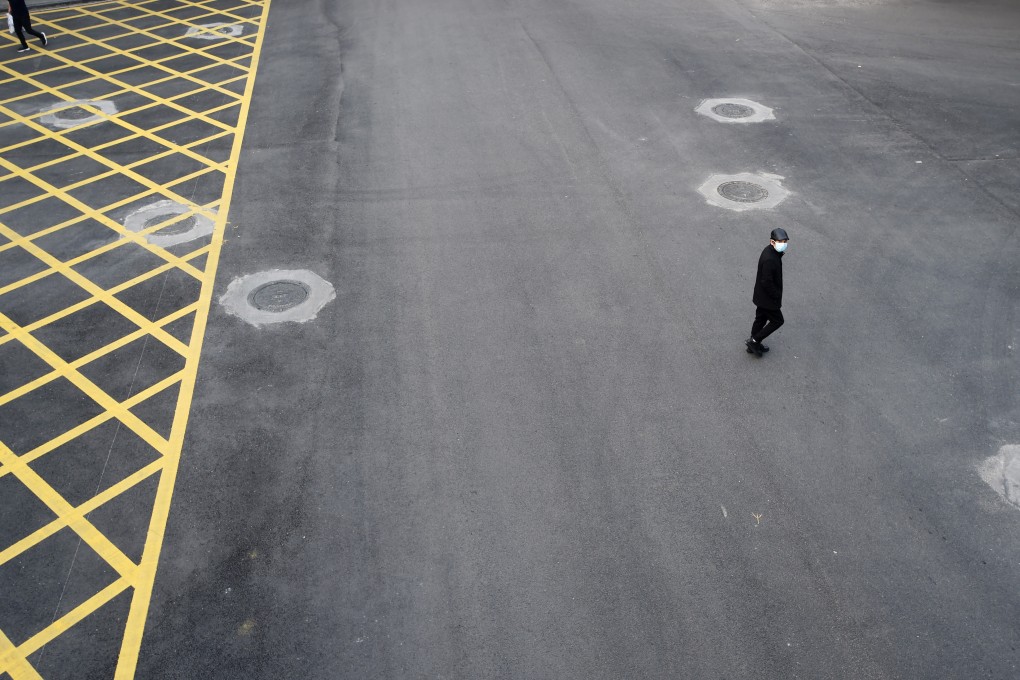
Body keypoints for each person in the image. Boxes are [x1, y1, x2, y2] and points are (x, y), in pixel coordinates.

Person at [745, 228, 789, 357]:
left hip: (761, 296)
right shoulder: (770, 258)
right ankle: (754, 341)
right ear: (772, 241)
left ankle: (753, 345)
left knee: (760, 319)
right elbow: (766, 281)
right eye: (781, 241)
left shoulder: (770, 251)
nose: (784, 243)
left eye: (785, 241)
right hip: (768, 299)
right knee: (778, 321)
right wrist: (776, 295)